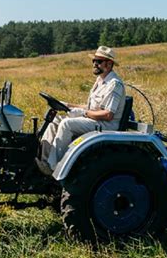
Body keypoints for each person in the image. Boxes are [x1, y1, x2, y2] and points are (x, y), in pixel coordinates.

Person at [36, 46, 126, 175]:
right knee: (55, 120)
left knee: (67, 124)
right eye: (94, 61)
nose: (95, 64)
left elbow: (108, 114)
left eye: (99, 61)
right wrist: (68, 105)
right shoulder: (100, 81)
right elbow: (90, 107)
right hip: (95, 120)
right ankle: (43, 161)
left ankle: (55, 167)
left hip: (106, 125)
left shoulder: (114, 84)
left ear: (109, 64)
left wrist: (83, 113)